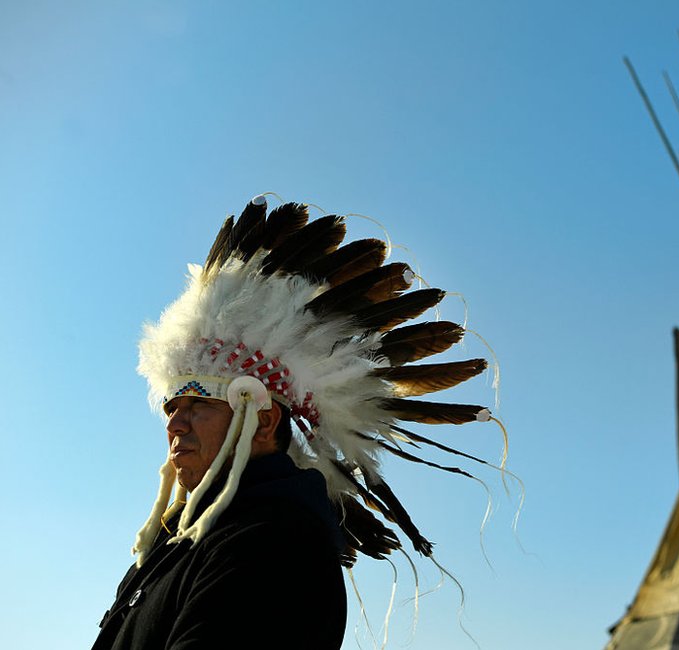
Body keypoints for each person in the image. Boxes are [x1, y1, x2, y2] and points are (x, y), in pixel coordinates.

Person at [93, 195, 494, 649]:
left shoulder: (277, 542)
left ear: (263, 421)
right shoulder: (174, 542)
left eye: (198, 403)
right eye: (170, 406)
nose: (176, 424)